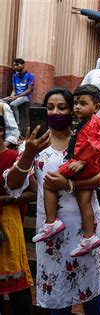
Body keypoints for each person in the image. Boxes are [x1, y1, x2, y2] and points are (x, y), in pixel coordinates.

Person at [6, 88, 100, 314]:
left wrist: (69, 185)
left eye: (62, 107)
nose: (55, 112)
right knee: (58, 294)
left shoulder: (86, 140)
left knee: (91, 292)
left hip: (86, 229)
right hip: (51, 232)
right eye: (50, 107)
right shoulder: (33, 144)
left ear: (73, 110)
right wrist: (28, 153)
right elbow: (12, 184)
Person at [33, 84, 100, 256]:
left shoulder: (95, 125)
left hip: (84, 166)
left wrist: (82, 163)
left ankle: (51, 222)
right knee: (83, 201)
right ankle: (88, 236)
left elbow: (96, 146)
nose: (78, 107)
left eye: (81, 103)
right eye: (76, 103)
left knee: (51, 181)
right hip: (81, 165)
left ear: (96, 107)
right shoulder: (84, 125)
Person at [0, 115, 36, 315]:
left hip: (8, 223)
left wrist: (6, 199)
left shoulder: (14, 157)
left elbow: (33, 191)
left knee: (16, 285)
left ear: (0, 131)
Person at [1, 58, 35, 124]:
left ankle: (17, 124)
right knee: (1, 101)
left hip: (26, 96)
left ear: (23, 65)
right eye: (14, 65)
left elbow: (29, 90)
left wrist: (16, 97)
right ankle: (5, 121)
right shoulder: (14, 76)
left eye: (17, 65)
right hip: (16, 96)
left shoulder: (30, 76)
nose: (15, 67)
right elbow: (14, 90)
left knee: (13, 104)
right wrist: (11, 97)